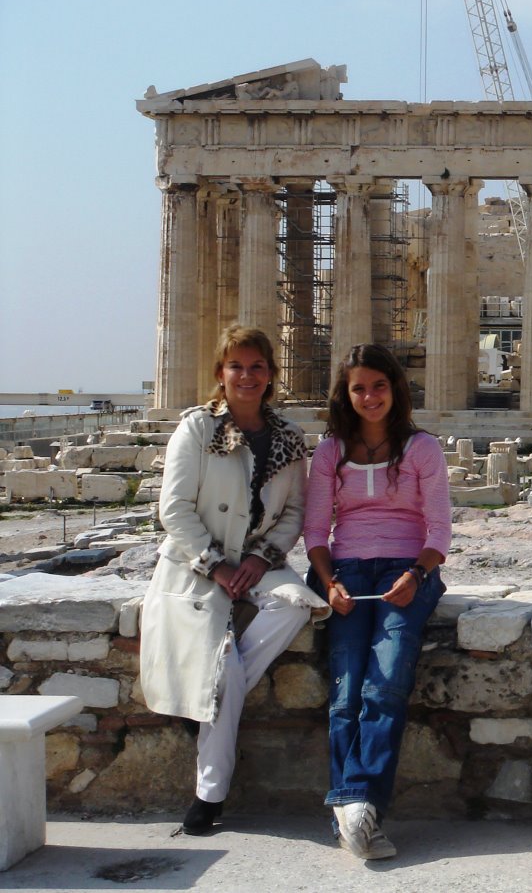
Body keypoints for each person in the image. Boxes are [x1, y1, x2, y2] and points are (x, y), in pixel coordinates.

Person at [140, 325, 330, 836]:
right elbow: (174, 510)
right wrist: (216, 564)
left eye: (257, 367)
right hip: (197, 565)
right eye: (236, 367)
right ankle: (210, 795)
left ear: (270, 375)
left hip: (257, 563)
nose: (247, 376)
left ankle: (211, 703)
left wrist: (263, 557)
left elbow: (293, 512)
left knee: (296, 604)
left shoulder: (289, 436)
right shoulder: (197, 429)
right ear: (220, 374)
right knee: (222, 675)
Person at [303, 344, 451, 860]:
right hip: (344, 572)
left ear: (395, 389)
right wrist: (328, 583)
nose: (370, 396)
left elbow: (439, 532)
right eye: (359, 387)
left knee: (385, 683)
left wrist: (415, 574)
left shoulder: (422, 449)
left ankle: (354, 804)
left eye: (379, 385)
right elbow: (316, 530)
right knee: (346, 691)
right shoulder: (328, 453)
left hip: (409, 569)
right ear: (346, 394)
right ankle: (360, 817)